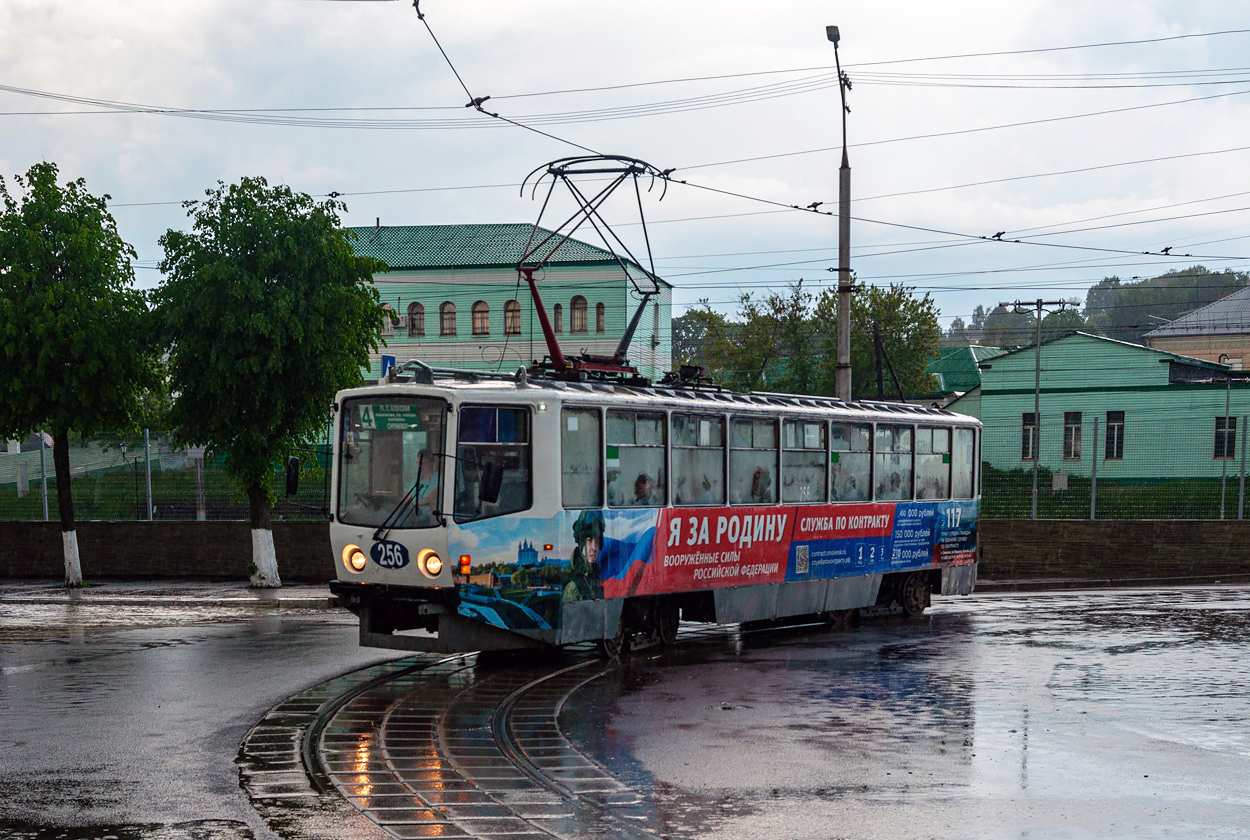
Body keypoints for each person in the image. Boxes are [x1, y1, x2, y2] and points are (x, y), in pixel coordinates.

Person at [562, 510, 606, 603]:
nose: (594, 547)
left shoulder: (597, 576)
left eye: (597, 541)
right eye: (589, 540)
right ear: (581, 543)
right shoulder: (573, 586)